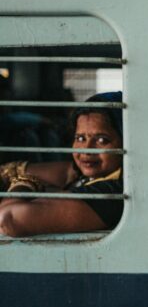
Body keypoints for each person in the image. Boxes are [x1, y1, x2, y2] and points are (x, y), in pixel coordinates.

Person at [0, 92, 124, 237]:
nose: (87, 149)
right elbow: (13, 170)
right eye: (80, 138)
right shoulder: (91, 171)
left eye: (102, 140)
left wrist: (24, 182)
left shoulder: (112, 194)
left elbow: (6, 220)